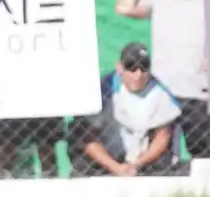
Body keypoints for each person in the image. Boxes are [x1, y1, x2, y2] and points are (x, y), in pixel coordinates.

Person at [114, 0, 210, 161]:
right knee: (163, 156)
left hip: (197, 91)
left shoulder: (206, 0)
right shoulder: (156, 1)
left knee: (202, 155)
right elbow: (123, 8)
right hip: (163, 93)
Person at [0, 0, 66, 177]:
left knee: (47, 146)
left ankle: (53, 195)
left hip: (43, 83)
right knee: (7, 147)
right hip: (7, 83)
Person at [68, 43, 183, 177]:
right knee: (78, 145)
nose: (138, 75)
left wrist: (137, 164)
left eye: (143, 68)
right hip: (109, 156)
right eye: (132, 68)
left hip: (143, 158)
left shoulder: (160, 93)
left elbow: (162, 137)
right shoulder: (105, 90)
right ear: (119, 67)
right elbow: (87, 138)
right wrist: (115, 167)